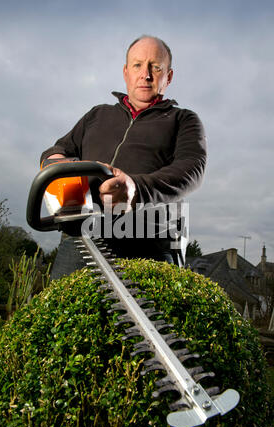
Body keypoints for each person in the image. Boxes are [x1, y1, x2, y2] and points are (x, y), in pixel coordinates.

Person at [40, 35, 207, 279]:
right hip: (81, 238)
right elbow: (60, 149)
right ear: (126, 72)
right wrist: (55, 162)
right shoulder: (97, 115)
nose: (146, 74)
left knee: (148, 314)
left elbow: (191, 168)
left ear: (168, 76)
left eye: (155, 66)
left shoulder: (183, 120)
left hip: (148, 242)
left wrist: (136, 189)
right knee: (61, 314)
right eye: (138, 65)